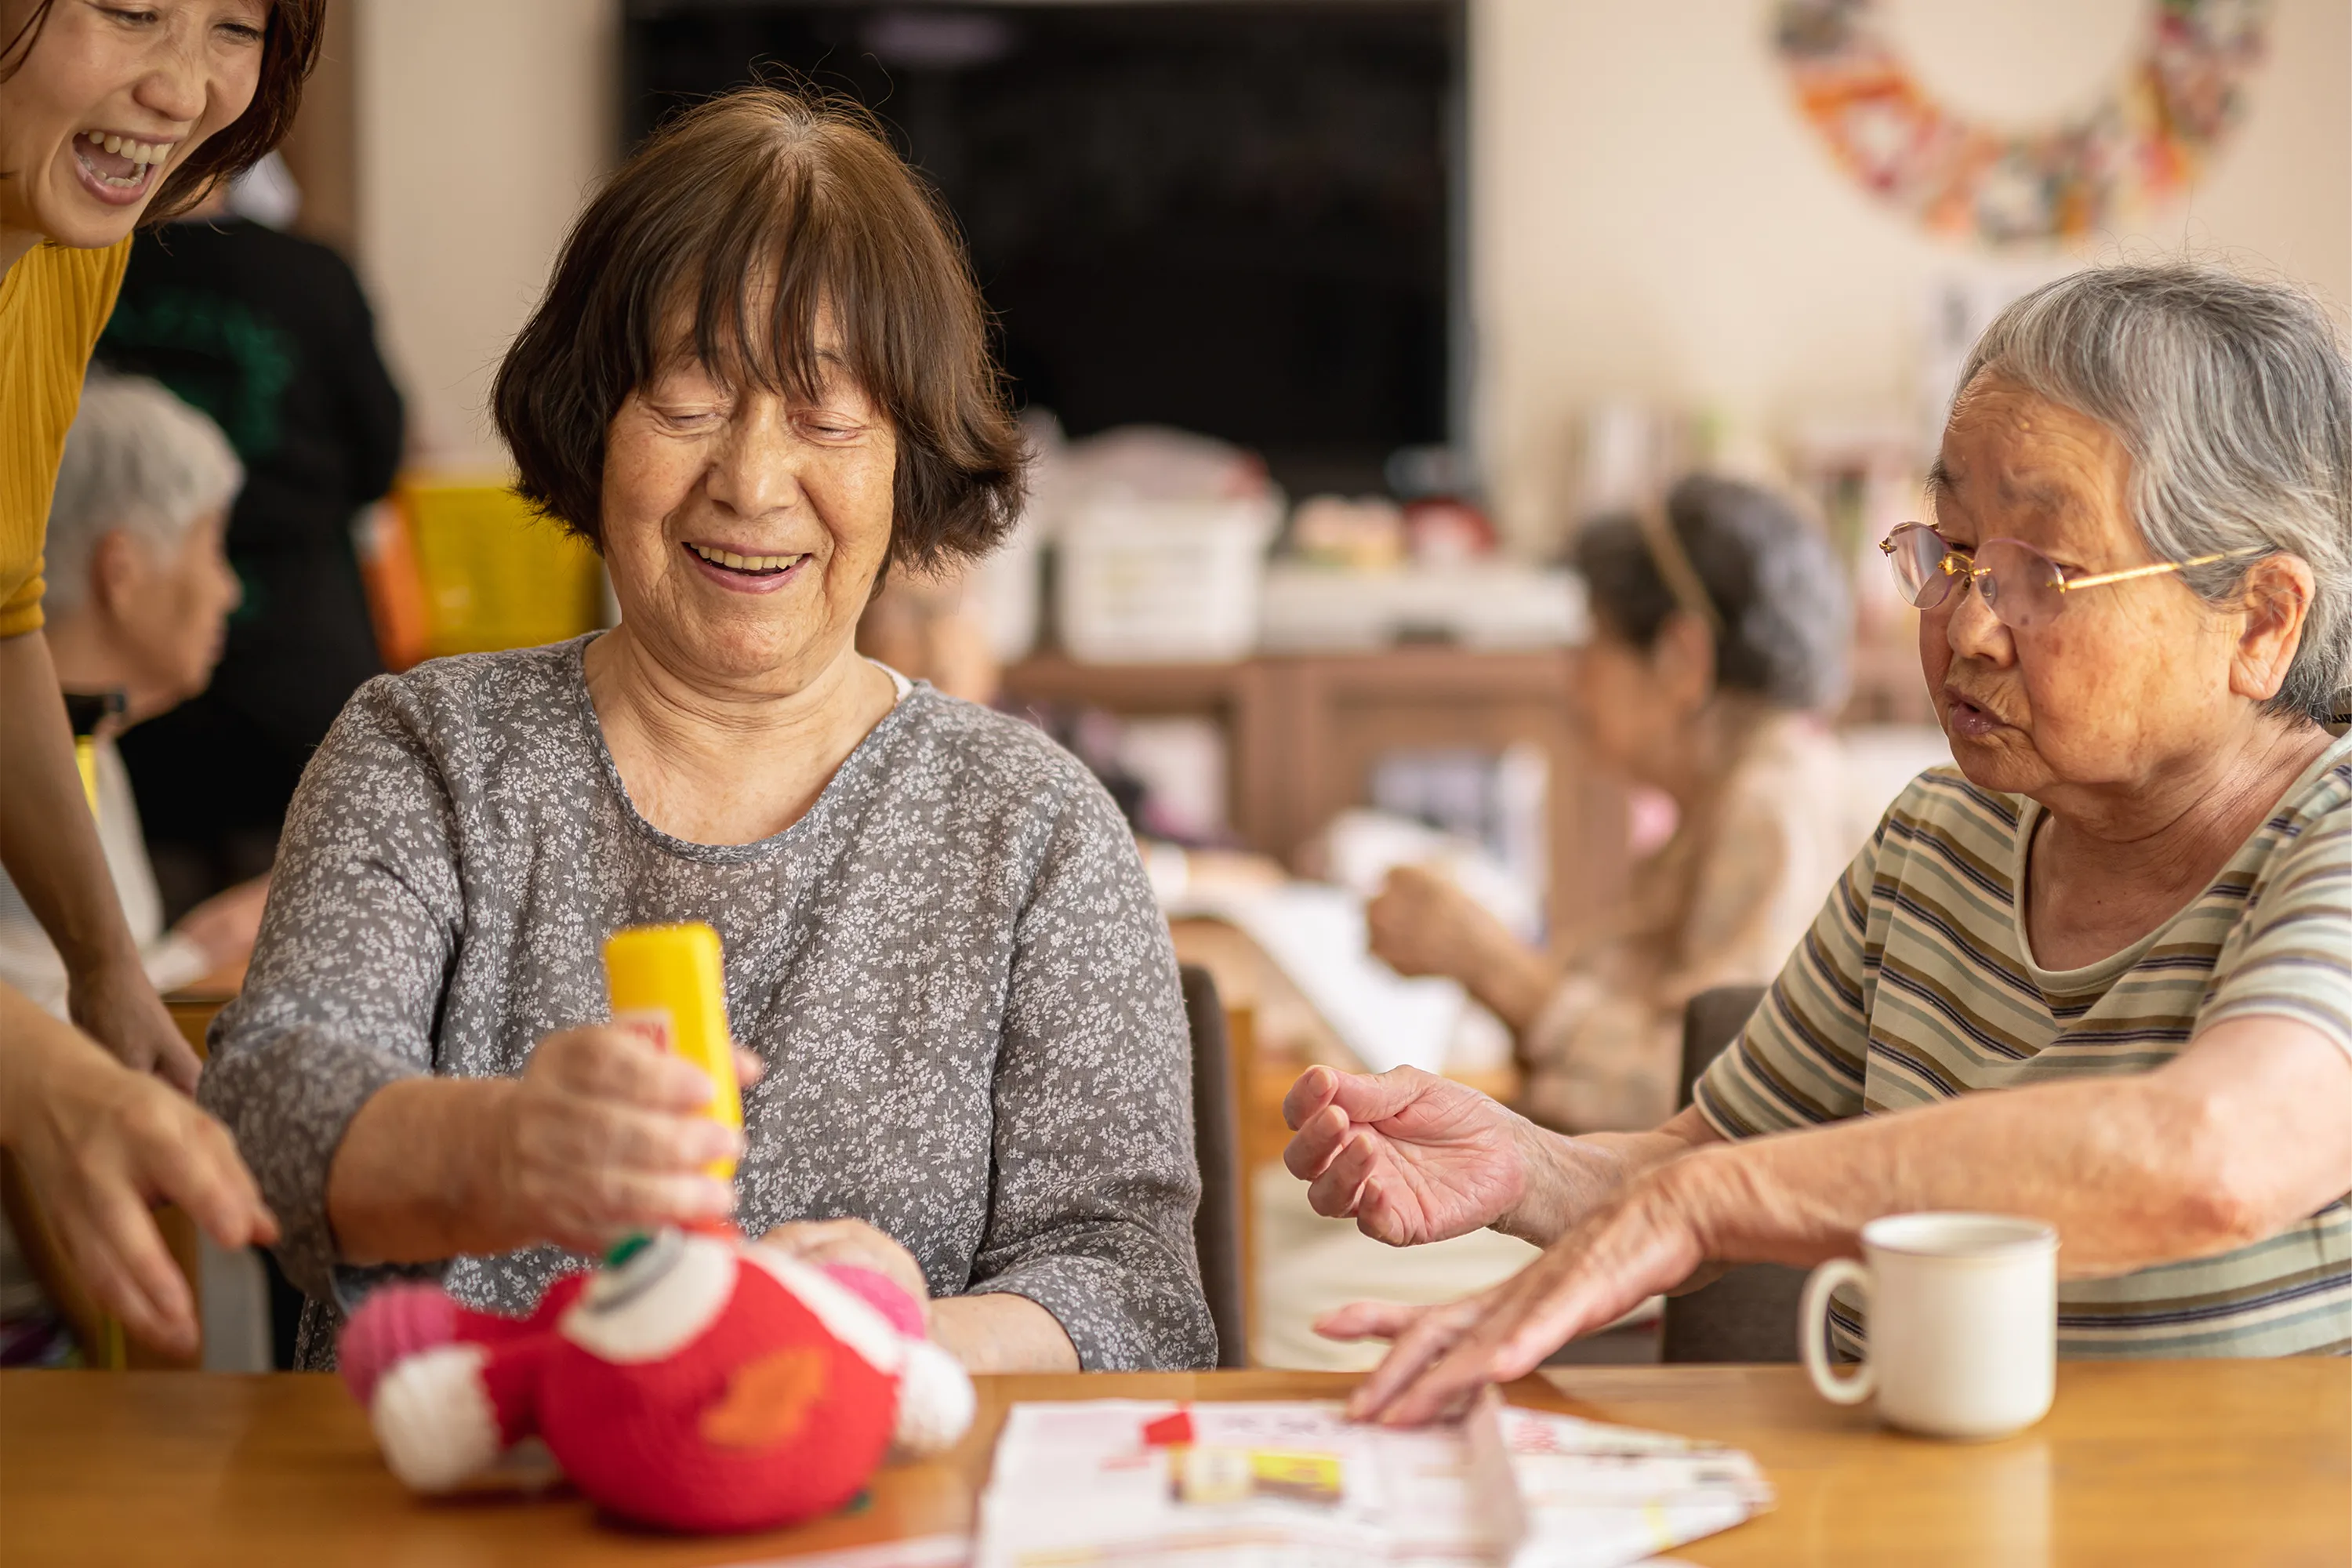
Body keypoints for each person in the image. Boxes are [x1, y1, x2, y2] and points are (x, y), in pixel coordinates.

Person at [200, 88, 1216, 1376]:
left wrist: (874, 1338)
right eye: (689, 399)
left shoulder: (1032, 823)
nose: (750, 479)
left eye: (825, 414)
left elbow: (1137, 1299)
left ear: (909, 457)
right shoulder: (426, 753)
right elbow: (269, 1121)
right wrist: (505, 1149)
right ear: (594, 418)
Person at [1283, 262, 2352, 1423]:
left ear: (2259, 621)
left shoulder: (2328, 842)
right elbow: (1707, 1160)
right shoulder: (1935, 843)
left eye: (2043, 572)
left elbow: (2215, 1158)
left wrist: (1702, 1201)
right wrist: (1530, 1165)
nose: (1969, 626)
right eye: (1948, 549)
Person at [0, 0, 321, 1356]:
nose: (184, 87)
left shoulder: (67, 253)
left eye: (235, 27)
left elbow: (2, 616)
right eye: (129, 8)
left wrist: (105, 970)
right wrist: (27, 1068)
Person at [1367, 475, 1857, 1132]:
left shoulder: (1771, 811)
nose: (1574, 682)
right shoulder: (1733, 797)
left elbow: (1711, 1096)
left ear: (1683, 658)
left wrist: (1490, 964)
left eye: (1592, 642)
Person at [96, 159, 404, 916]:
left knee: (148, 961)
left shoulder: (82, 269)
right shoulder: (309, 275)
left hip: (129, 670)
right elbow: (379, 457)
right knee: (308, 951)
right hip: (298, 663)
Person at [0, 374, 260, 1011]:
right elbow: (52, 1023)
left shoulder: (91, 737)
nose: (230, 592)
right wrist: (213, 951)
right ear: (122, 570)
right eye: (213, 547)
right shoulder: (28, 756)